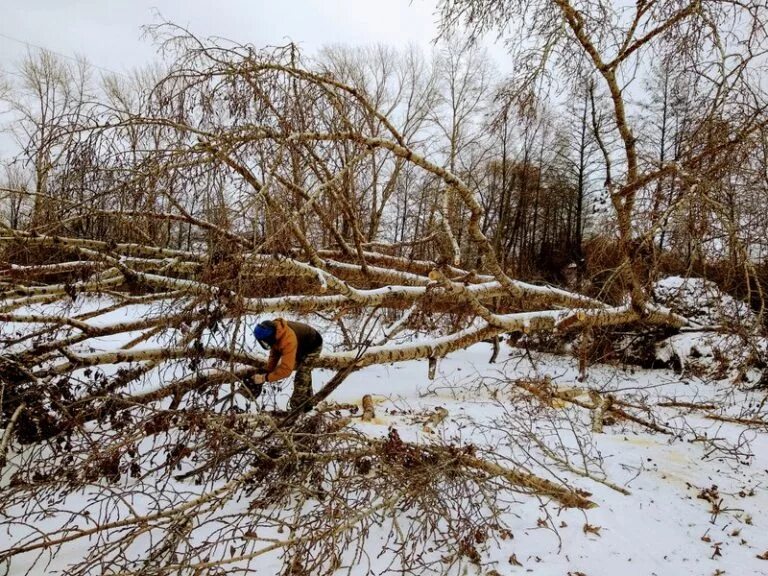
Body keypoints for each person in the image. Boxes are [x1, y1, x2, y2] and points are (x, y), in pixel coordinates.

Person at [248, 318, 323, 410]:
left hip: (312, 345)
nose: (265, 343)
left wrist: (264, 378)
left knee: (302, 375)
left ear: (270, 337)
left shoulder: (287, 340)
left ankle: (297, 407)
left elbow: (286, 370)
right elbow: (274, 354)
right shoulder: (275, 333)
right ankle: (308, 403)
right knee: (304, 374)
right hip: (299, 345)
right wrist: (268, 370)